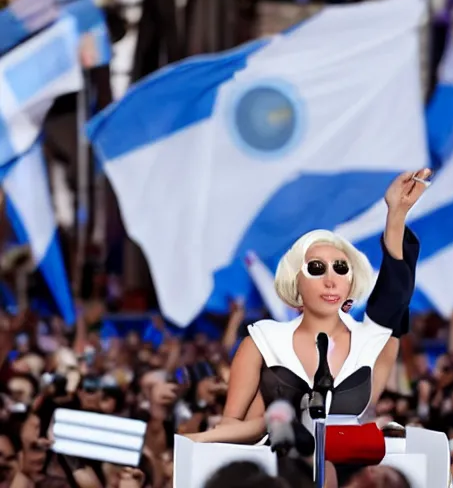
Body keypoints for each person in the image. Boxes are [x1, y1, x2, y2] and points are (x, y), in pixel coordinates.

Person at [182, 170, 431, 484]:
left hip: (351, 476)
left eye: (341, 268)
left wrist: (396, 214)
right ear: (295, 283)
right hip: (279, 475)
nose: (330, 279)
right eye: (316, 268)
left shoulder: (369, 340)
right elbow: (235, 425)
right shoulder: (264, 340)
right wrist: (198, 442)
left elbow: (395, 292)